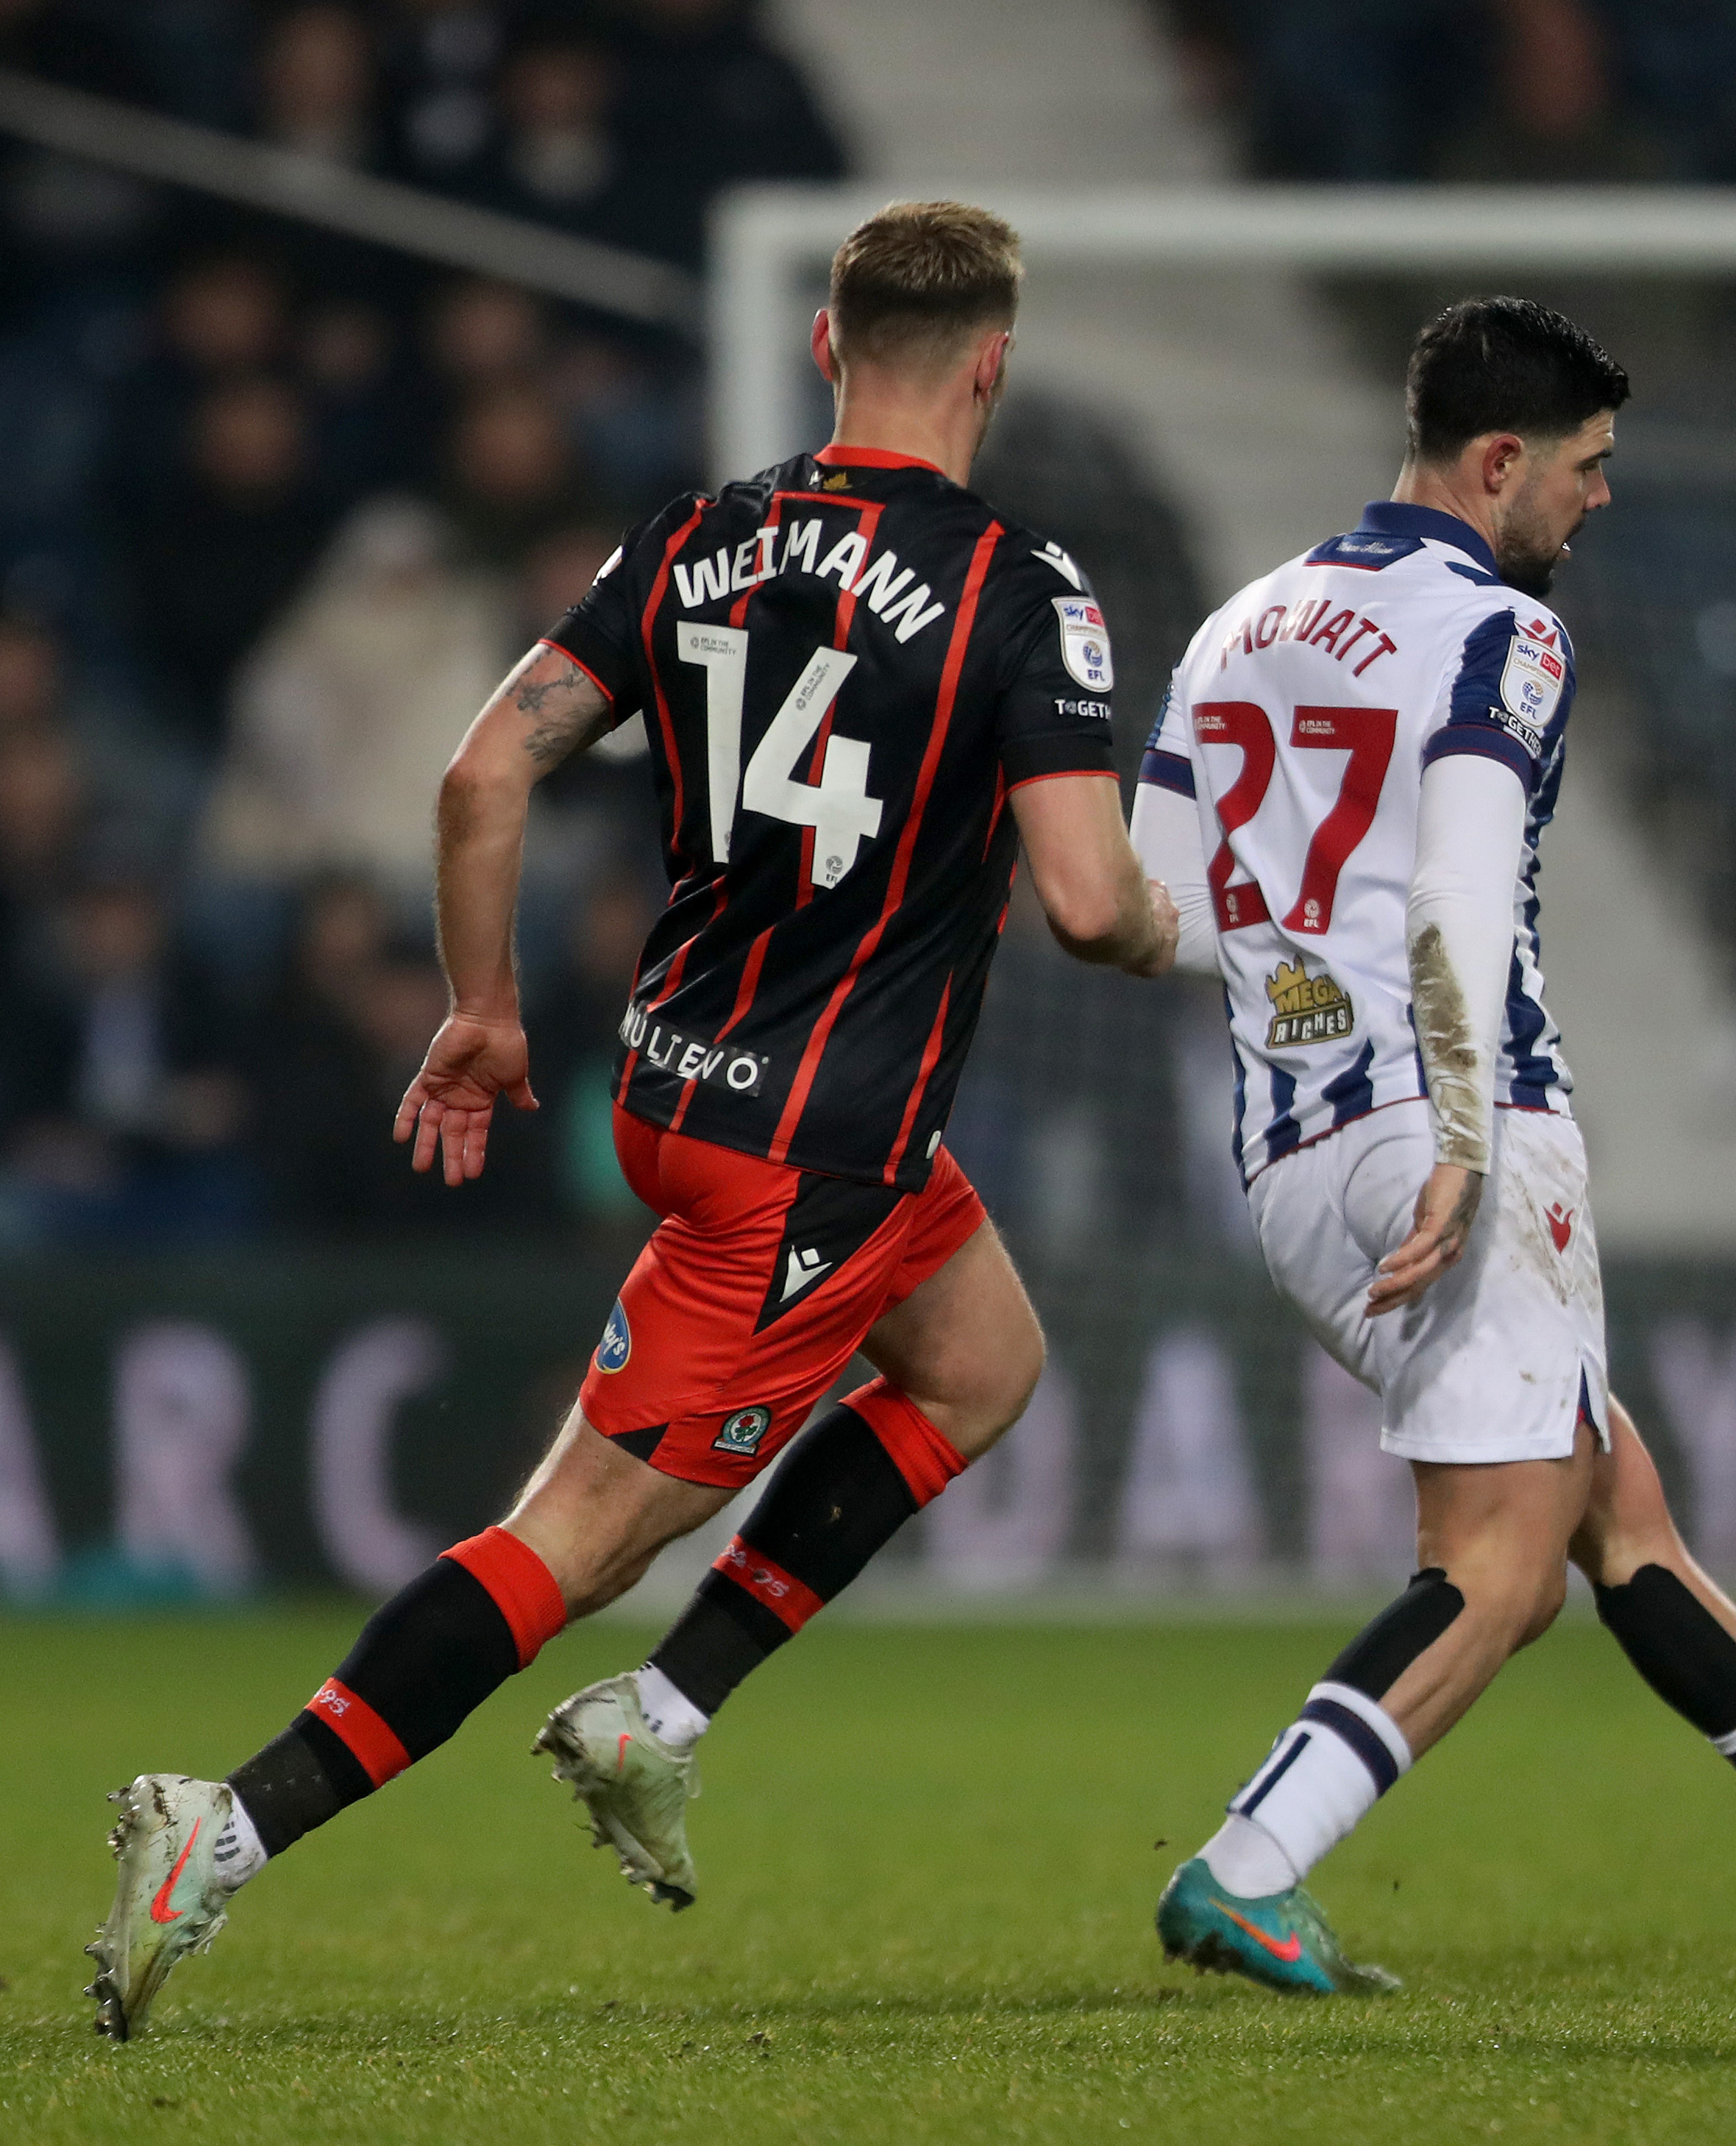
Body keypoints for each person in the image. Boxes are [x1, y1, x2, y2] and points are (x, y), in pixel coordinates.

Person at [84, 199, 1178, 2040]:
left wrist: (485, 1010)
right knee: (576, 1541)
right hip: (811, 1149)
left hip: (680, 1082)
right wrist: (1169, 926)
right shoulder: (1018, 583)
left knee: (982, 1362)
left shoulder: (697, 532)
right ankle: (231, 1819)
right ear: (993, 359)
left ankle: (656, 1721)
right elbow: (1084, 900)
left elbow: (484, 763)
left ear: (829, 347)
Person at [1125, 297, 1736, 1997]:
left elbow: (1152, 911)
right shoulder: (1501, 635)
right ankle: (1245, 1864)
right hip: (1458, 1129)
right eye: (1582, 469)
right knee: (1499, 1575)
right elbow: (1448, 892)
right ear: (1495, 461)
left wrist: (1311, 994)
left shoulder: (1236, 626)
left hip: (1288, 1155)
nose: (1597, 500)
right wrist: (1447, 1119)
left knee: (1611, 1507)